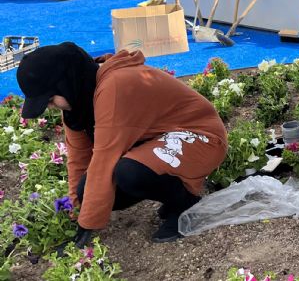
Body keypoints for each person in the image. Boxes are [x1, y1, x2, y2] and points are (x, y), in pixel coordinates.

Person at [17, 42, 228, 245]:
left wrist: (85, 228)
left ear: (65, 83)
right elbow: (78, 159)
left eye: (51, 100)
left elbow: (105, 157)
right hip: (160, 140)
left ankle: (185, 204)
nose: (53, 107)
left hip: (201, 138)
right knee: (86, 189)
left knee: (128, 173)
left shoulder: (115, 85)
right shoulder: (77, 100)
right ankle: (173, 194)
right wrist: (76, 211)